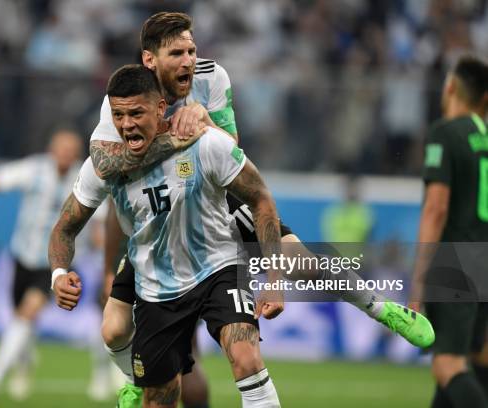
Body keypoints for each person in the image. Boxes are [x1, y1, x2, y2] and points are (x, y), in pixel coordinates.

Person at [89, 12, 435, 407]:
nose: (188, 60)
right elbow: (108, 170)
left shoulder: (211, 77)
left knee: (300, 261)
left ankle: (382, 309)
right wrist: (172, 136)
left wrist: (202, 121)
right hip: (163, 217)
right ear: (150, 60)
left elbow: (230, 147)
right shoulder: (127, 98)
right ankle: (138, 376)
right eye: (176, 53)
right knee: (115, 330)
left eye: (191, 50)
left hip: (216, 197)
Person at [50, 64, 284, 408]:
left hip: (217, 267)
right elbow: (64, 228)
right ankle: (137, 381)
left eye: (136, 113)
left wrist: (274, 280)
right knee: (160, 398)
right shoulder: (106, 167)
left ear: (160, 108)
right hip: (156, 289)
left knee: (245, 356)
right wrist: (58, 273)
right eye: (118, 114)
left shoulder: (205, 143)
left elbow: (261, 199)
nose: (126, 124)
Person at [0, 128, 82, 403]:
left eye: (71, 150)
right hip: (22, 257)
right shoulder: (34, 170)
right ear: (51, 150)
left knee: (27, 313)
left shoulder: (83, 179)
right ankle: (24, 362)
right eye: (61, 148)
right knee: (20, 321)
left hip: (54, 263)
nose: (66, 155)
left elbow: (101, 213)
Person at [409, 55, 488, 408]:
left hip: (458, 262)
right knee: (479, 358)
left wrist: (419, 281)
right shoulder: (484, 139)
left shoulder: (445, 132)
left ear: (451, 87)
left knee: (448, 365)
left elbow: (436, 208)